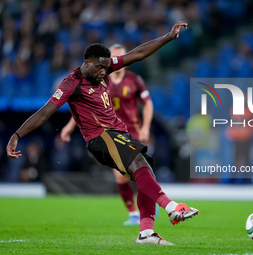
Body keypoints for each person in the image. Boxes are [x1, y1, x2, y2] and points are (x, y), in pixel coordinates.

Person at [7, 21, 199, 245]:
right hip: (101, 137)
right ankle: (172, 207)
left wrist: (168, 36)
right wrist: (16, 135)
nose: (103, 72)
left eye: (106, 67)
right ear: (87, 63)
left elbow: (137, 54)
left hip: (119, 134)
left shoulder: (104, 66)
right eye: (99, 67)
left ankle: (146, 233)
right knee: (139, 163)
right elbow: (44, 113)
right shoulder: (71, 83)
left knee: (145, 171)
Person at [60, 44, 154, 226]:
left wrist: (146, 127)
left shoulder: (134, 80)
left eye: (120, 56)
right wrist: (69, 126)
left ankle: (150, 198)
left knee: (142, 170)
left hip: (132, 131)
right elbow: (85, 107)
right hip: (109, 133)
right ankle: (134, 213)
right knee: (121, 175)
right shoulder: (99, 79)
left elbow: (148, 103)